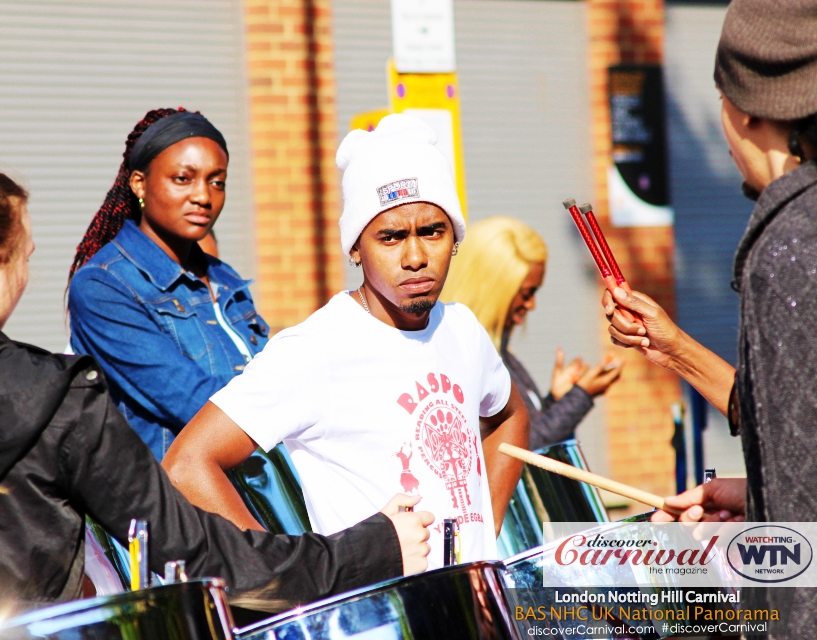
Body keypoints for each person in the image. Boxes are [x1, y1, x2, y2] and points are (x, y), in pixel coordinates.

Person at [0, 161, 433, 608]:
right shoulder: (56, 397)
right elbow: (199, 553)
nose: (25, 276)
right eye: (23, 259)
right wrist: (373, 548)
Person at [164, 114, 531, 569]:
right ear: (356, 248)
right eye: (391, 237)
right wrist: (286, 574)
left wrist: (485, 529)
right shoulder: (315, 350)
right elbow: (187, 464)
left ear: (454, 237)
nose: (415, 257)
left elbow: (510, 414)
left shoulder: (463, 329)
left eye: (432, 232)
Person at [602, 0, 817, 634]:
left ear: (748, 106)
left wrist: (747, 542)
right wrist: (671, 349)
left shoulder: (790, 246)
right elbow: (793, 417)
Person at [68, 108, 270, 461]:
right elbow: (196, 403)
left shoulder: (223, 278)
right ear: (139, 184)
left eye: (216, 181)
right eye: (183, 178)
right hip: (172, 506)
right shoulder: (103, 286)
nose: (204, 196)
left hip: (251, 491)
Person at [440, 216, 622, 450]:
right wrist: (580, 396)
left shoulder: (499, 353)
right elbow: (518, 449)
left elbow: (528, 429)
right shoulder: (466, 361)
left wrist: (557, 399)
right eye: (526, 293)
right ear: (494, 289)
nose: (532, 304)